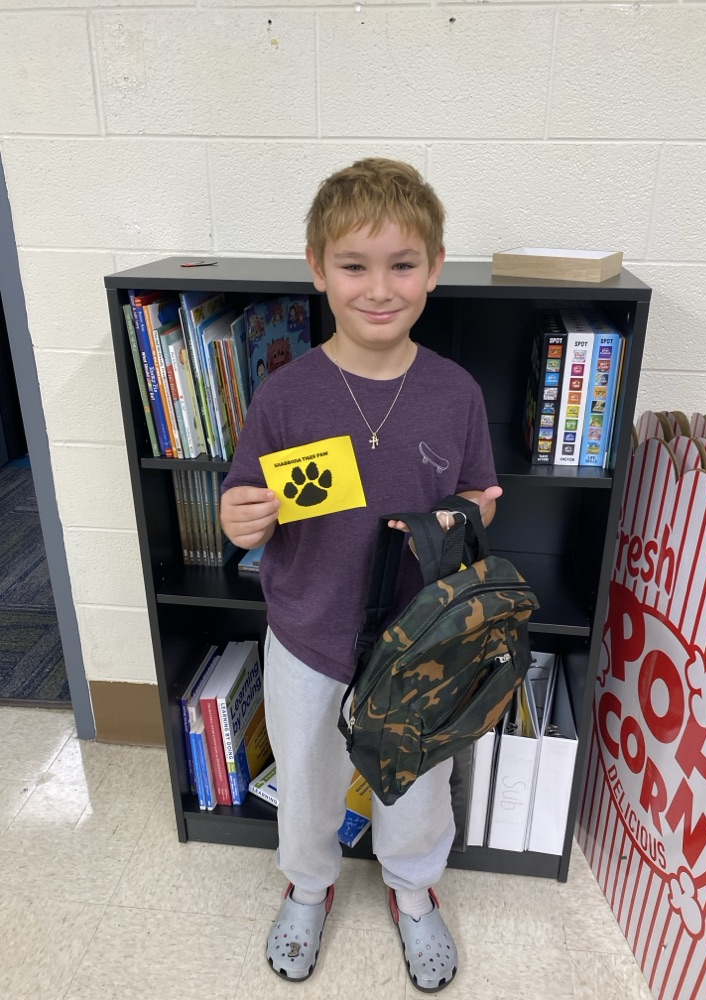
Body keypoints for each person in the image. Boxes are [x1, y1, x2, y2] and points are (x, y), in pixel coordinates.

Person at [220, 157, 502, 992]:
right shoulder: (285, 394)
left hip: (418, 642)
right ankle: (309, 886)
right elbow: (243, 495)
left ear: (434, 268)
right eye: (354, 265)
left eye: (402, 264)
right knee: (306, 783)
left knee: (415, 785)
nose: (379, 289)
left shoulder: (456, 392)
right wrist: (239, 515)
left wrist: (466, 516)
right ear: (318, 268)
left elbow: (481, 498)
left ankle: (413, 891)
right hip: (307, 632)